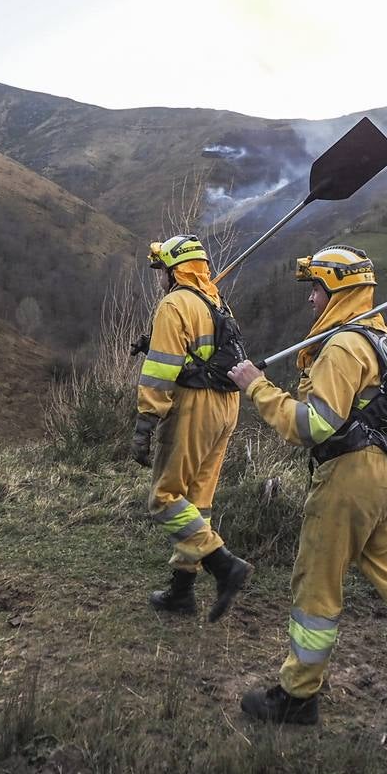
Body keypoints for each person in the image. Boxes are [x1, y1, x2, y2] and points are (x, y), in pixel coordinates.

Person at [225, 245, 387, 738]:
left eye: (316, 288)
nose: (309, 298)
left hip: (352, 477)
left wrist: (257, 387)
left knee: (316, 584)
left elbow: (313, 426)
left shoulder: (344, 346)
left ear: (338, 289)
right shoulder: (380, 339)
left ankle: (298, 697)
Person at [133, 234, 253, 622]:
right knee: (197, 502)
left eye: (160, 271)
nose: (158, 279)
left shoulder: (174, 303)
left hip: (195, 405)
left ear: (173, 270)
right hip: (227, 407)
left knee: (165, 497)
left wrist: (146, 421)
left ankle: (223, 565)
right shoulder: (216, 300)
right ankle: (182, 592)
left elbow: (161, 369)